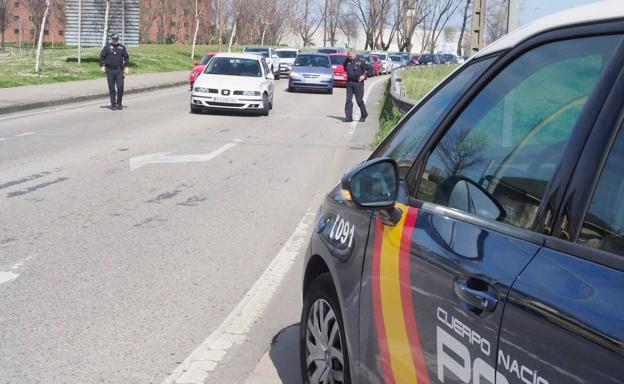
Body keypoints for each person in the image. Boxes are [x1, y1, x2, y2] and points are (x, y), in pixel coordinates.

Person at [100, 33, 129, 110]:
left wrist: (126, 66)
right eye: (113, 39)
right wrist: (102, 66)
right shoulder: (107, 47)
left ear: (118, 39)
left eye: (116, 39)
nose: (115, 40)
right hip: (110, 70)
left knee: (120, 87)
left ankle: (119, 103)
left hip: (119, 70)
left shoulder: (122, 47)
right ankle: (113, 104)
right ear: (111, 39)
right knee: (112, 88)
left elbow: (126, 57)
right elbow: (102, 57)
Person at [343, 49, 368, 122]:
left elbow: (370, 69)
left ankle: (364, 114)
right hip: (350, 83)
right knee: (348, 100)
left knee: (359, 100)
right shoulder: (347, 61)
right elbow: (345, 67)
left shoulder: (361, 61)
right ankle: (349, 117)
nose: (349, 57)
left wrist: (364, 76)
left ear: (354, 54)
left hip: (358, 83)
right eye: (348, 56)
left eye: (350, 56)